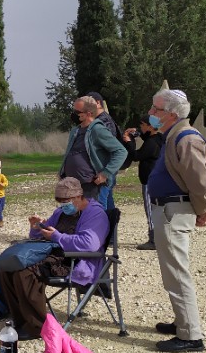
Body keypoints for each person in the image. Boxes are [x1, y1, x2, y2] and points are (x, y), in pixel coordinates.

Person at [146, 89, 206, 353]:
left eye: (156, 110)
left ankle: (191, 335)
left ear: (172, 114)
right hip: (168, 210)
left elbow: (200, 182)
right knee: (173, 272)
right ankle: (182, 322)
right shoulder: (174, 136)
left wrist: (203, 209)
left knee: (177, 273)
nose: (151, 114)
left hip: (174, 211)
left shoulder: (185, 139)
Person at [0, 177, 109, 340]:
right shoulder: (61, 212)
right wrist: (36, 227)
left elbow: (90, 244)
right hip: (53, 254)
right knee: (10, 265)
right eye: (61, 201)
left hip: (75, 261)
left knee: (25, 270)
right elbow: (45, 235)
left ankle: (36, 327)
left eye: (67, 201)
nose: (64, 205)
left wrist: (57, 236)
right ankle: (21, 319)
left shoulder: (95, 213)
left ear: (79, 196)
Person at [59, 95, 127, 209]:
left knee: (94, 217)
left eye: (77, 111)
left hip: (91, 186)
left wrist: (105, 173)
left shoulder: (97, 130)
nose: (74, 114)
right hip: (73, 186)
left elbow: (121, 151)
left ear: (89, 113)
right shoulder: (75, 131)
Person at [121, 115, 161, 250]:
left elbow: (136, 156)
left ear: (150, 127)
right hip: (156, 180)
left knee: (150, 210)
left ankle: (154, 239)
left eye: (143, 125)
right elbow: (147, 137)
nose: (141, 128)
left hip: (149, 181)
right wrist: (136, 133)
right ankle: (159, 238)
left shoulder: (151, 143)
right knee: (157, 210)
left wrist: (128, 142)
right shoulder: (158, 138)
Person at [86, 92, 122, 211]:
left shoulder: (103, 123)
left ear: (97, 103)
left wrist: (105, 173)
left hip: (103, 175)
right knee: (108, 208)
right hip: (103, 174)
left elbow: (115, 150)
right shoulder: (100, 121)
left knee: (100, 210)